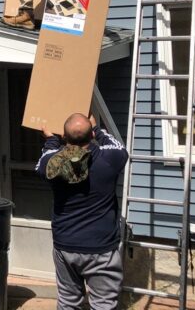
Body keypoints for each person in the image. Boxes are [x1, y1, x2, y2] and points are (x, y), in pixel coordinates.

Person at [36, 113, 128, 310]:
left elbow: (45, 157)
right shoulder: (110, 160)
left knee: (68, 302)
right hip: (101, 248)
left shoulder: (51, 165)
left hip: (66, 246)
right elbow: (119, 147)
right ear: (91, 135)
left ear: (64, 137)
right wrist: (97, 129)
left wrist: (51, 139)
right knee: (104, 305)